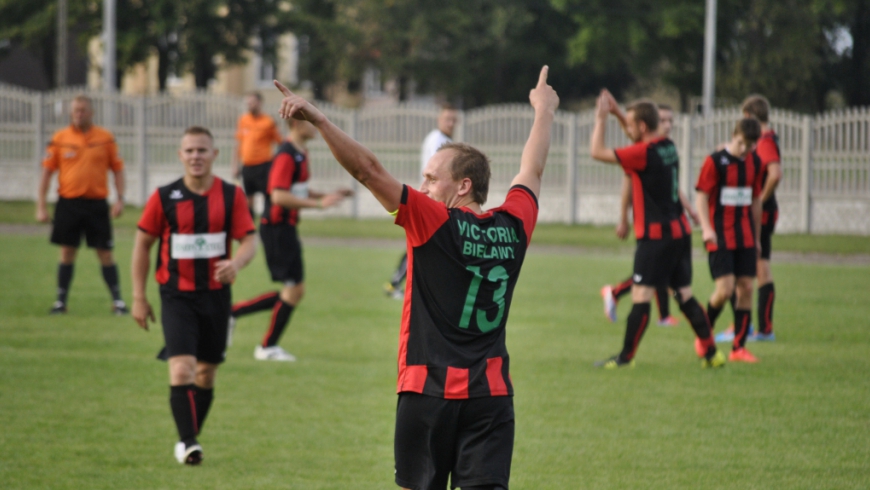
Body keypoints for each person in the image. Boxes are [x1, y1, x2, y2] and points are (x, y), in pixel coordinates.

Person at [274, 65, 557, 490]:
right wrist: (544, 111)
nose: (421, 187)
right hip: (491, 395)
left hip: (427, 391)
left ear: (462, 186)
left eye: (429, 178)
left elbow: (368, 170)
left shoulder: (434, 221)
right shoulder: (514, 224)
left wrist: (320, 119)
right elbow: (531, 170)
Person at [131, 126, 257, 465]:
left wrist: (237, 263)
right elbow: (143, 244)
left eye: (202, 150)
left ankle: (188, 437)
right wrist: (139, 297)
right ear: (180, 155)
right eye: (189, 151)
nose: (196, 156)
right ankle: (189, 443)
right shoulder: (163, 197)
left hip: (216, 297)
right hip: (176, 296)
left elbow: (249, 239)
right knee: (182, 368)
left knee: (206, 373)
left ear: (215, 155)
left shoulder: (232, 196)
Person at [590, 89, 724, 369]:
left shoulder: (642, 153)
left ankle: (625, 358)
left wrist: (601, 118)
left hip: (655, 237)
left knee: (641, 296)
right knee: (685, 295)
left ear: (641, 127)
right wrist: (617, 112)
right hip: (679, 233)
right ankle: (711, 353)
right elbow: (635, 139)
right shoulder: (666, 145)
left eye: (630, 122)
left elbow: (597, 152)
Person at [229, 117, 351, 361]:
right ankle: (266, 346)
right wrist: (318, 204)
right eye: (311, 122)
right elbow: (278, 196)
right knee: (294, 290)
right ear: (296, 124)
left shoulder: (300, 154)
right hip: (276, 228)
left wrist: (329, 195)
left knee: (294, 290)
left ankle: (235, 317)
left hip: (286, 228)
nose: (316, 126)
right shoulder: (285, 155)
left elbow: (297, 190)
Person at [600, 103, 700, 327]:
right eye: (663, 120)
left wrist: (690, 209)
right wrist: (623, 216)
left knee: (658, 277)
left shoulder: (665, 148)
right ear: (649, 124)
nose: (667, 125)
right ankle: (618, 294)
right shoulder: (642, 152)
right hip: (651, 225)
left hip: (667, 225)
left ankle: (659, 314)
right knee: (653, 278)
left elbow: (671, 188)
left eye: (671, 121)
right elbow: (627, 184)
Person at [36, 94, 128, 315]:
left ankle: (118, 302)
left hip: (96, 204)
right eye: (75, 110)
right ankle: (60, 302)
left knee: (105, 252)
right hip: (68, 203)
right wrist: (41, 205)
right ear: (70, 112)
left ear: (91, 113)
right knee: (67, 251)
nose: (79, 114)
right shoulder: (60, 138)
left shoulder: (105, 138)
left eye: (83, 110)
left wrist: (120, 198)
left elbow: (117, 170)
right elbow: (47, 174)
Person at [695, 118, 764, 363]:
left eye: (751, 145)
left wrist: (756, 238)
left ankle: (738, 348)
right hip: (719, 234)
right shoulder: (715, 162)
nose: (745, 149)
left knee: (745, 288)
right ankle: (705, 334)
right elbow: (702, 196)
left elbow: (755, 201)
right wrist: (705, 228)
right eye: (741, 143)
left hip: (745, 236)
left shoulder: (755, 163)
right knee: (724, 290)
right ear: (734, 136)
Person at [384, 105, 459, 300]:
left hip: (434, 198)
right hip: (431, 199)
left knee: (427, 244)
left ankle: (412, 286)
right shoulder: (438, 141)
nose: (451, 123)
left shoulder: (445, 140)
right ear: (439, 120)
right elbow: (439, 173)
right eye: (447, 119)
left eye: (454, 120)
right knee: (421, 243)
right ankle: (395, 284)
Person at [231, 91, 283, 216]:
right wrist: (234, 165)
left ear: (260, 103)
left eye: (252, 102)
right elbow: (238, 144)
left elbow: (280, 142)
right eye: (248, 103)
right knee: (248, 198)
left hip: (264, 166)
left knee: (267, 196)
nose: (249, 105)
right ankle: (251, 228)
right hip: (247, 166)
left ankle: (267, 223)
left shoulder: (268, 121)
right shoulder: (243, 120)